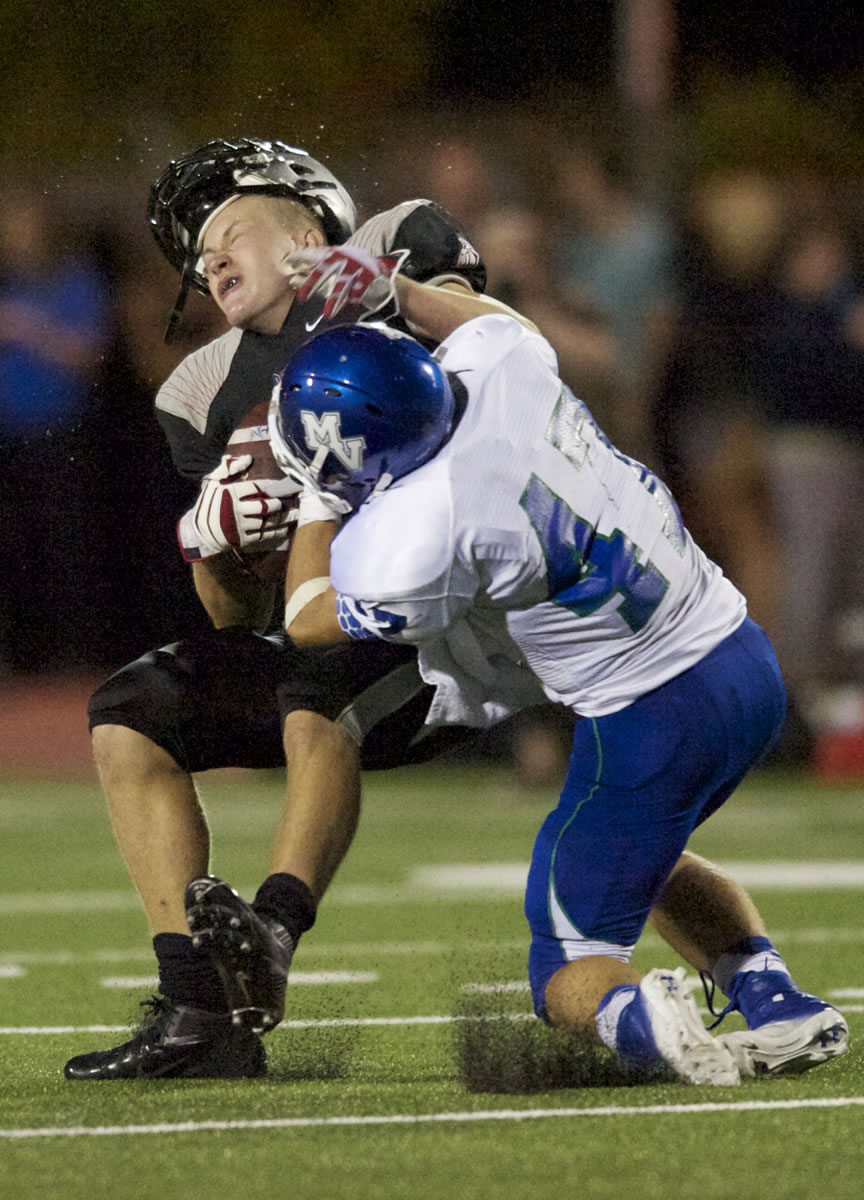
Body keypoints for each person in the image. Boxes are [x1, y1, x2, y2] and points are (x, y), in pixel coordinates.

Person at [234, 242, 848, 1086]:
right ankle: (780, 1004)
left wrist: (317, 492)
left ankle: (646, 1019)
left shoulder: (418, 529)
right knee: (647, 855)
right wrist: (396, 289)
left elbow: (307, 620)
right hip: (739, 656)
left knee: (563, 967)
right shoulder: (503, 374)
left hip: (652, 712)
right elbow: (499, 324)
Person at [64, 138, 543, 1082]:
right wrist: (215, 542)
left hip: (457, 614)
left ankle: (274, 929)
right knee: (127, 715)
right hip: (329, 622)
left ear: (306, 219)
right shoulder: (198, 390)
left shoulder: (396, 248)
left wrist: (384, 291)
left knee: (316, 673)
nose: (211, 264)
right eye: (199, 260)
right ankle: (202, 1011)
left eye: (226, 233)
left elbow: (512, 351)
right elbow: (235, 619)